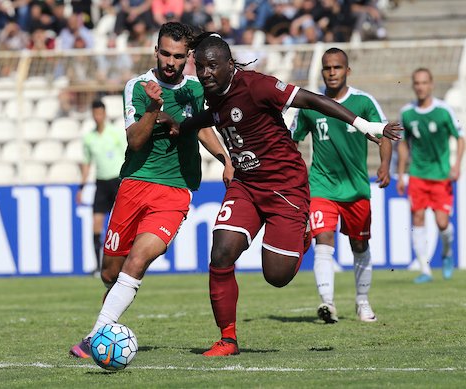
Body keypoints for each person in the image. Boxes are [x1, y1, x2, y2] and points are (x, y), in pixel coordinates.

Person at [162, 33, 401, 356]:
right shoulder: (214, 93)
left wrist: (363, 124)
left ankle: (301, 234)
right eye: (200, 66)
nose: (204, 73)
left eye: (212, 66)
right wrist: (182, 126)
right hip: (246, 185)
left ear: (229, 66)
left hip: (286, 188)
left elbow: (314, 100)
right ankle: (227, 339)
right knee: (220, 254)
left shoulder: (258, 85)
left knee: (276, 276)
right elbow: (212, 117)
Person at [69, 22, 234, 359]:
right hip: (134, 184)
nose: (170, 62)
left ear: (188, 57)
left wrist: (224, 159)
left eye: (177, 56)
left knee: (139, 259)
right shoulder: (138, 87)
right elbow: (135, 139)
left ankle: (95, 336)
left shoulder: (196, 89)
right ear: (155, 51)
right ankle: (106, 321)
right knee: (110, 272)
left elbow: (203, 129)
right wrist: (153, 110)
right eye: (165, 54)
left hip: (175, 191)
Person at [291, 48, 391, 324]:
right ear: (322, 71)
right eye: (327, 68)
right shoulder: (311, 104)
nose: (331, 72)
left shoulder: (363, 102)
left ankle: (362, 302)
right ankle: (327, 304)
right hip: (322, 186)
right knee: (323, 239)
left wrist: (384, 165)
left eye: (337, 67)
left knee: (359, 245)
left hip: (356, 188)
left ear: (348, 71)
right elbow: (293, 140)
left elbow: (383, 134)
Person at [396, 68, 464, 283]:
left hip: (441, 175)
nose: (420, 87)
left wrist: (456, 165)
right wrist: (400, 174)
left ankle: (446, 253)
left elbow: (460, 137)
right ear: (413, 85)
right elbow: (404, 144)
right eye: (417, 83)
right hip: (417, 175)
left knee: (442, 223)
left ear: (431, 84)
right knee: (417, 218)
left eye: (424, 82)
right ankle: (425, 269)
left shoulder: (444, 111)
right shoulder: (407, 113)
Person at [76, 99, 127, 277]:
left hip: (117, 181)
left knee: (122, 224)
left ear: (104, 114)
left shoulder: (115, 133)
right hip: (100, 183)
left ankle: (125, 265)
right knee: (96, 224)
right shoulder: (89, 138)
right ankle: (98, 266)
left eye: (100, 113)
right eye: (95, 113)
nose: (98, 116)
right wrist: (81, 187)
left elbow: (128, 154)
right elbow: (87, 163)